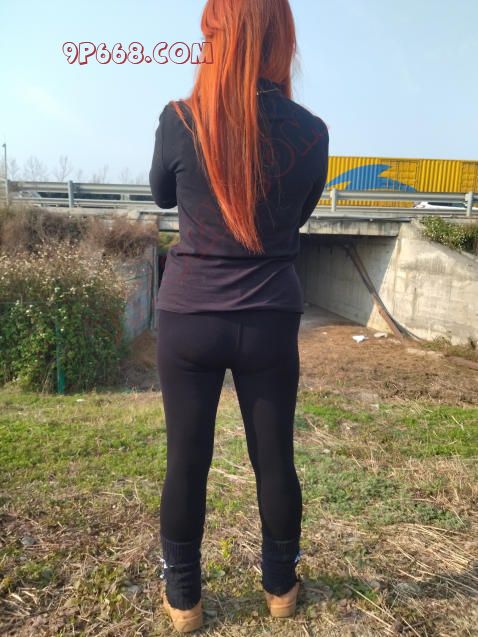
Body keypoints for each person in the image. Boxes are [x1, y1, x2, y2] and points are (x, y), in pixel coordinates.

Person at [149, 0, 329, 631]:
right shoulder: (312, 132)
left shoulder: (179, 119)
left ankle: (184, 600)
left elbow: (162, 194)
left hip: (189, 317)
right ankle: (281, 589)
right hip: (269, 319)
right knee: (274, 457)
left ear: (215, 38)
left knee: (186, 459)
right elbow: (299, 213)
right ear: (280, 39)